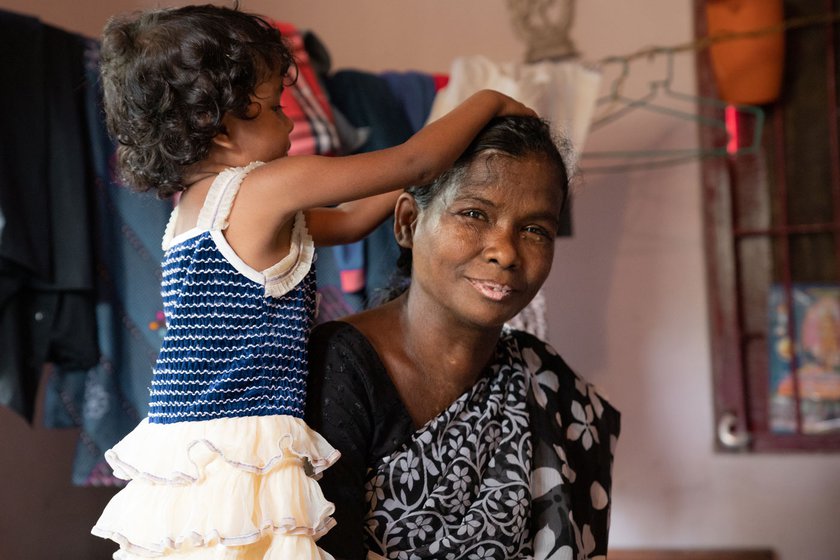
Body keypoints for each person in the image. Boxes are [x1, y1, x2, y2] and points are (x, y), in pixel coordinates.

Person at [89, 4, 536, 559]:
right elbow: (414, 161)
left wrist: (414, 197)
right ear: (223, 128)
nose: (290, 120)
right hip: (242, 433)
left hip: (194, 438)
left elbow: (348, 221)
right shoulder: (265, 186)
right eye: (275, 106)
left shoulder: (192, 212)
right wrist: (487, 101)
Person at [305, 116, 621, 560]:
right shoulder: (340, 367)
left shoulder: (543, 382)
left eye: (535, 230)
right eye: (474, 214)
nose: (506, 252)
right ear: (409, 223)